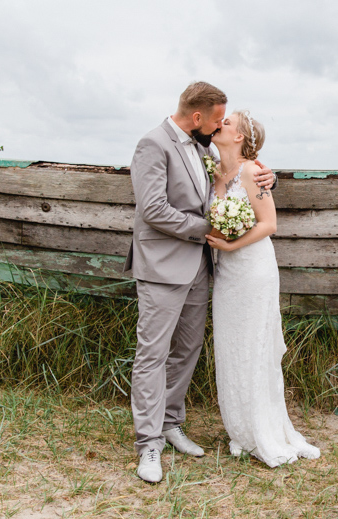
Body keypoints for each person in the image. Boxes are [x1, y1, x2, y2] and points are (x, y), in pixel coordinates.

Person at [125, 82, 274, 484]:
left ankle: (172, 423)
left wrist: (264, 179)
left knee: (187, 349)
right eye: (215, 120)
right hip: (161, 266)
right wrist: (211, 228)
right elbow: (153, 209)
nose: (217, 127)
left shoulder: (205, 148)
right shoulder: (152, 145)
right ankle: (149, 442)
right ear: (197, 117)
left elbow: (231, 179)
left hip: (200, 269)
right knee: (152, 353)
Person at [205, 111, 321, 466]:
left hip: (253, 270)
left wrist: (228, 246)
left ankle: (263, 430)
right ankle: (240, 430)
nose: (218, 124)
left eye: (226, 123)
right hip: (226, 276)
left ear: (239, 136)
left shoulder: (252, 172)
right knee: (231, 347)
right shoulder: (214, 168)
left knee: (254, 348)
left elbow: (269, 223)